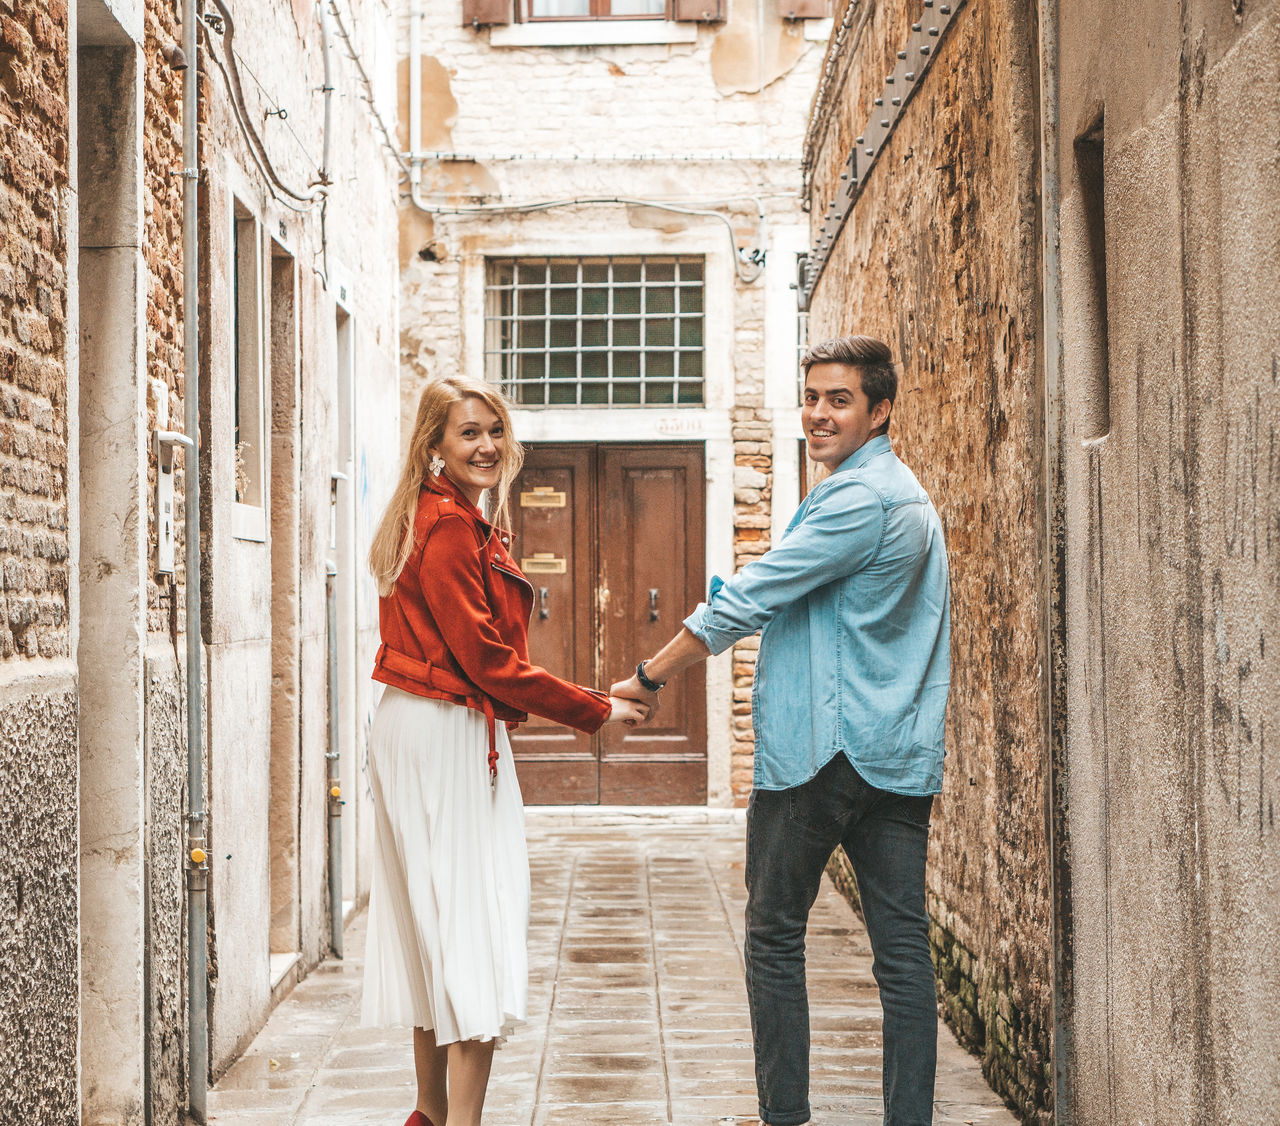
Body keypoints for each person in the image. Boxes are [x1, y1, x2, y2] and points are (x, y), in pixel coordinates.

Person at [612, 335, 951, 1126]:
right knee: (903, 956)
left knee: (773, 939)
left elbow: (745, 600)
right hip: (897, 756)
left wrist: (650, 676)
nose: (819, 414)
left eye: (839, 400)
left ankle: (786, 1120)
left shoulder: (860, 500)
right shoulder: (901, 494)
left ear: (881, 410)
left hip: (819, 760)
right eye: (812, 398)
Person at [361, 376, 648, 1126]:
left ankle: (428, 1113)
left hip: (414, 725)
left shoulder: (428, 516)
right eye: (468, 433)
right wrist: (597, 711)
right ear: (436, 445)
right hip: (445, 730)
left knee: (435, 929)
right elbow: (486, 661)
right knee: (474, 927)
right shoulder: (451, 528)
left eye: (494, 429)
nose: (486, 445)